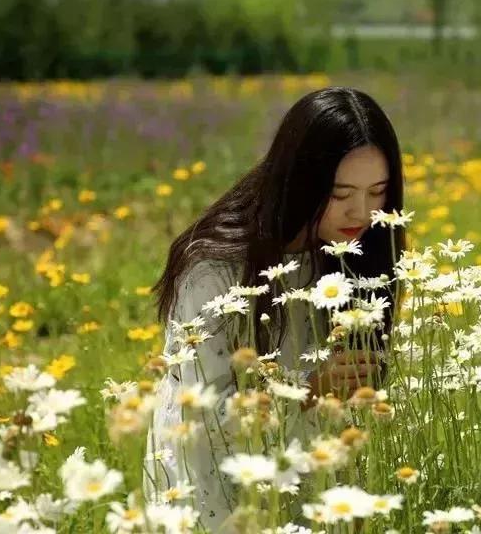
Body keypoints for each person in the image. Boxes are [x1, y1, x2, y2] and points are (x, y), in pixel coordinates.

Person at [142, 86, 406, 532]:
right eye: (340, 194)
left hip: (309, 471)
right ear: (300, 182)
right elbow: (199, 415)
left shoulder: (355, 254)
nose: (362, 212)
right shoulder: (214, 268)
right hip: (213, 488)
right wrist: (309, 389)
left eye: (377, 192)